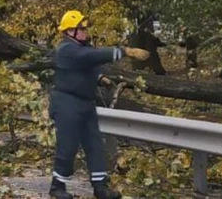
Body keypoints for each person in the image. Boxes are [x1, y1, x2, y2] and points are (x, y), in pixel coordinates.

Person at [49, 10, 150, 199]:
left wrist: (99, 77)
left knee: (95, 144)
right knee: (68, 145)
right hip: (66, 103)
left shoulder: (80, 48)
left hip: (85, 104)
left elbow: (85, 65)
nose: (85, 31)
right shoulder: (66, 49)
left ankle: (100, 188)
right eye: (82, 28)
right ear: (70, 31)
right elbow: (90, 57)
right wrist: (123, 51)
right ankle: (57, 187)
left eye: (85, 28)